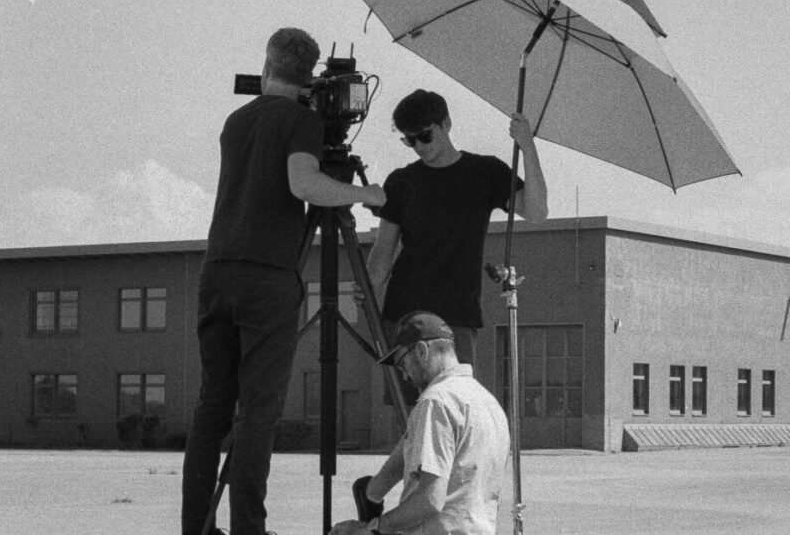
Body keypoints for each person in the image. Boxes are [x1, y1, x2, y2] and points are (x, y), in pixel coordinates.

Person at [181, 28, 386, 535]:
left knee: (213, 407)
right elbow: (302, 183)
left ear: (267, 63)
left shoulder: (237, 120)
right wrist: (365, 196)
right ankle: (250, 528)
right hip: (266, 277)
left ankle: (196, 528)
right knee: (257, 410)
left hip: (217, 273)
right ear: (311, 75)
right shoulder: (300, 121)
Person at [365, 89, 547, 394]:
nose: (418, 147)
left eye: (425, 136)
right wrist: (364, 290)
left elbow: (537, 212)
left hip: (456, 318)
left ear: (446, 123)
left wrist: (527, 147)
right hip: (405, 317)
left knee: (456, 413)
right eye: (410, 140)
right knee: (410, 419)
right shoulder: (401, 180)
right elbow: (383, 254)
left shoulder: (485, 172)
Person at [330, 311, 511, 535]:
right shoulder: (488, 403)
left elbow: (430, 499)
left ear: (421, 351)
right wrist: (373, 491)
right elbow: (414, 442)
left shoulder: (436, 401)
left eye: (403, 363)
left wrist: (373, 529)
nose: (405, 376)